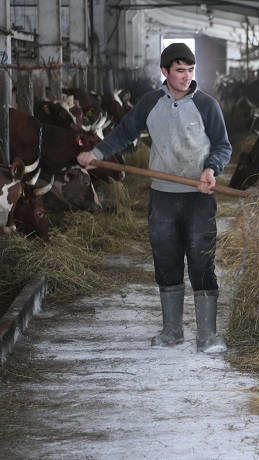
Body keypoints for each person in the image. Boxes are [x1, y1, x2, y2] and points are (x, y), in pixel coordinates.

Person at [77, 42, 233, 354]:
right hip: (162, 198)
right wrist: (95, 153)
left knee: (202, 260)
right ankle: (172, 331)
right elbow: (124, 133)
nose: (186, 76)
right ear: (164, 72)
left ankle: (207, 336)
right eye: (179, 71)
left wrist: (211, 170)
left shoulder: (206, 104)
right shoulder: (150, 103)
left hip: (198, 197)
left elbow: (222, 145)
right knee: (166, 260)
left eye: (190, 71)